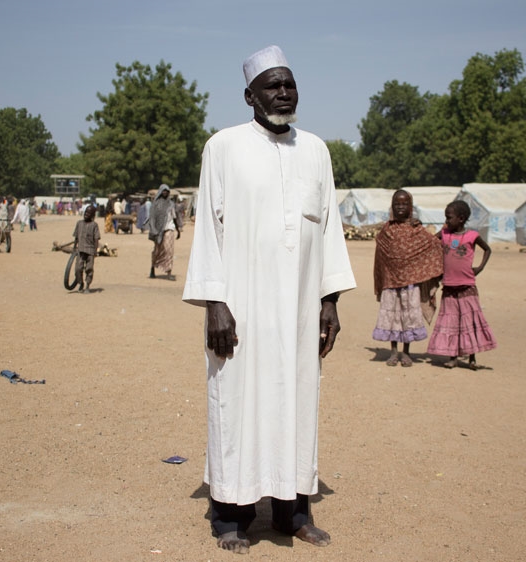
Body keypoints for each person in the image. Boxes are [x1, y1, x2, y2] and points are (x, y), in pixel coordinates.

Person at [182, 45, 356, 554]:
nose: (283, 93)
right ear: (250, 96)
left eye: (289, 83)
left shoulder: (317, 151)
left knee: (297, 403)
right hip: (240, 307)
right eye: (272, 85)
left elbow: (328, 230)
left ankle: (292, 514)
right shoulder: (223, 147)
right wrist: (215, 301)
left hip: (300, 310)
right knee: (236, 403)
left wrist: (330, 302)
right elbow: (209, 230)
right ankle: (229, 518)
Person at [372, 190, 444, 367]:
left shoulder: (416, 228)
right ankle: (394, 351)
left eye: (404, 204)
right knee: (393, 316)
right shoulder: (387, 230)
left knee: (408, 316)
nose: (400, 207)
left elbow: (433, 244)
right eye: (397, 203)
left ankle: (406, 352)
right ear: (392, 206)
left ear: (410, 207)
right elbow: (381, 252)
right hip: (391, 281)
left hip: (410, 283)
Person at [426, 200, 497, 370]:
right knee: (452, 324)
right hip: (449, 288)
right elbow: (428, 243)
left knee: (468, 322)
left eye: (449, 218)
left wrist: (479, 268)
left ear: (461, 218)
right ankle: (453, 357)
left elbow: (487, 249)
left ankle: (472, 357)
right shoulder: (444, 234)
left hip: (467, 287)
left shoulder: (472, 236)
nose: (446, 221)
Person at [148, 184, 182, 279]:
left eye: (167, 191)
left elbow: (174, 217)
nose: (165, 193)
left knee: (169, 250)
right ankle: (152, 268)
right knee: (157, 250)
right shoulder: (156, 204)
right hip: (158, 231)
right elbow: (152, 218)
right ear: (160, 192)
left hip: (169, 229)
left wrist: (178, 230)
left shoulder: (171, 204)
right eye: (163, 191)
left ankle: (169, 272)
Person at [72, 204, 101, 293]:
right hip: (80, 249)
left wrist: (95, 251)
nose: (86, 214)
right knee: (78, 268)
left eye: (89, 213)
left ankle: (87, 285)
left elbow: (96, 239)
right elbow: (76, 237)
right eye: (85, 212)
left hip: (90, 250)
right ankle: (80, 283)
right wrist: (74, 247)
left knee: (89, 269)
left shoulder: (94, 225)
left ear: (92, 215)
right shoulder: (79, 223)